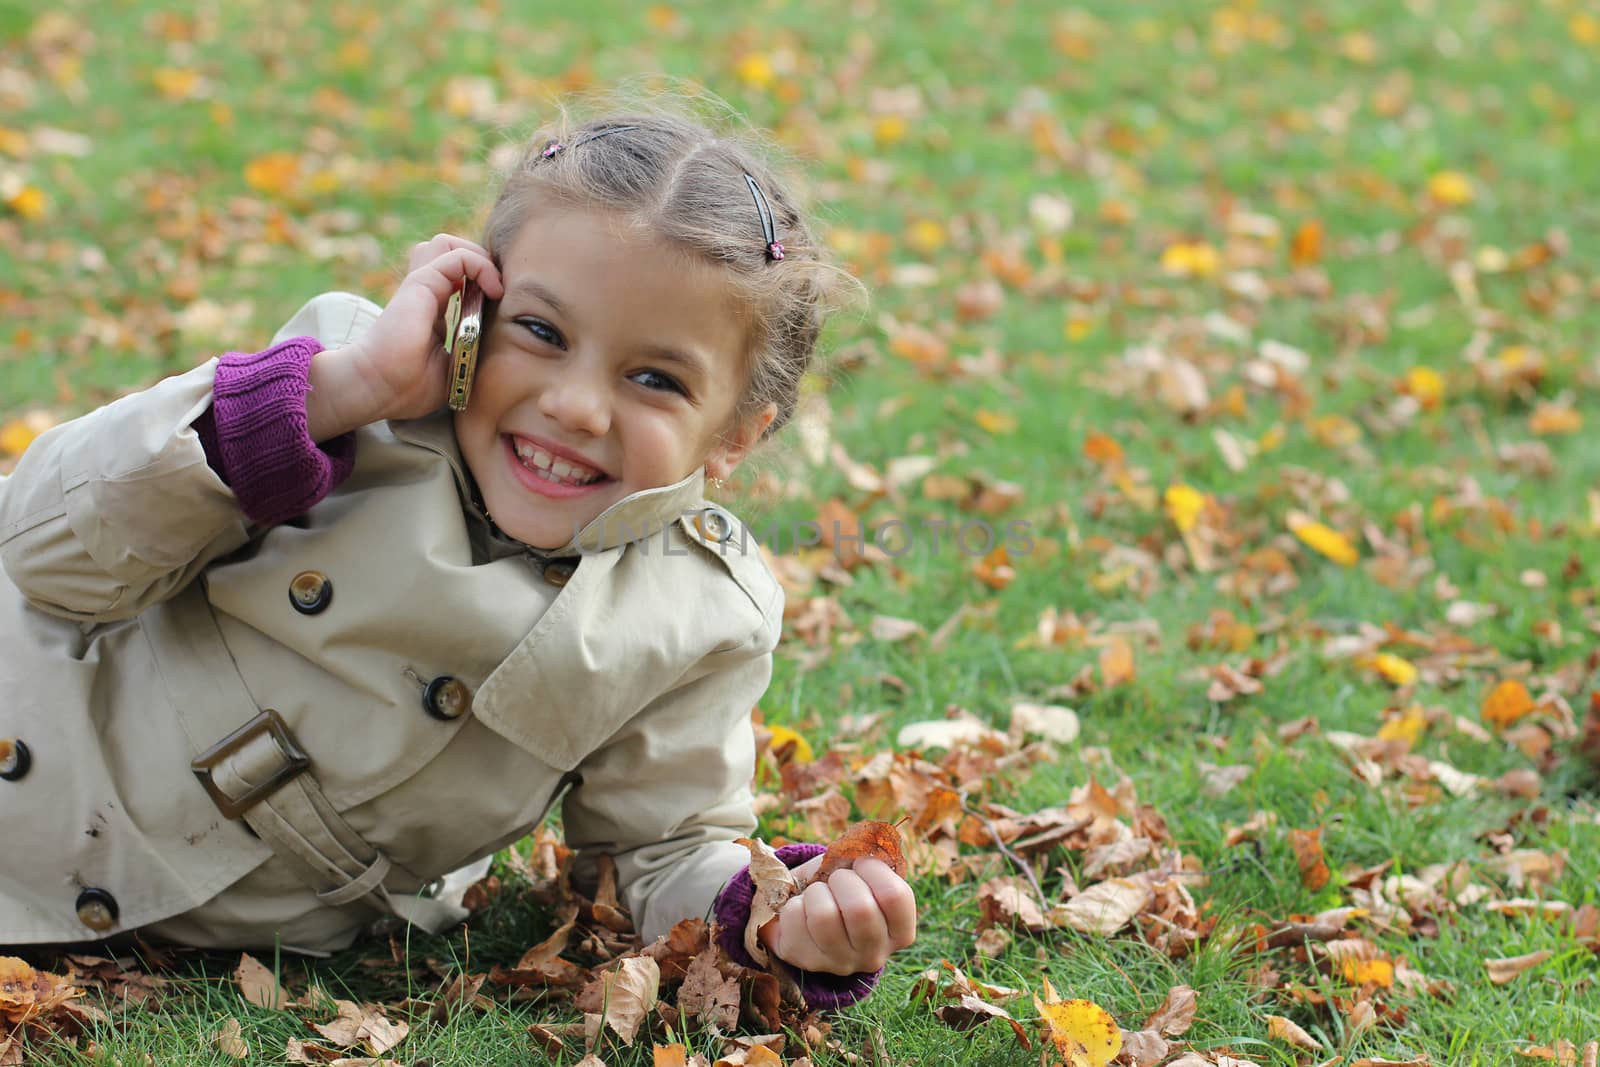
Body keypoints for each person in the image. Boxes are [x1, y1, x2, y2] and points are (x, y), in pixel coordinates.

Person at [0, 108, 914, 1008]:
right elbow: (43, 553)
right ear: (470, 307)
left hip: (208, 910)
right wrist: (338, 391)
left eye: (655, 380)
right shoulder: (346, 400)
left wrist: (775, 912)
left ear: (737, 436)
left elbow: (669, 846)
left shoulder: (694, 607)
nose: (577, 408)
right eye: (541, 332)